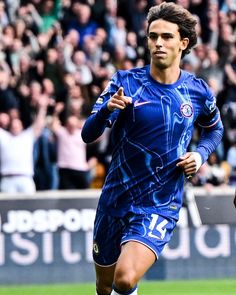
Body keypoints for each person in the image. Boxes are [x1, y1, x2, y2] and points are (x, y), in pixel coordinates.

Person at [81, 2, 224, 295]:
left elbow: (215, 129)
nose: (158, 42)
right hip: (115, 197)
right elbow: (88, 134)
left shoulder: (197, 91)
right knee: (105, 286)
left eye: (167, 36)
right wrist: (107, 109)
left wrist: (199, 154)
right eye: (152, 36)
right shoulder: (124, 83)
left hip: (159, 202)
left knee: (125, 277)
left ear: (183, 43)